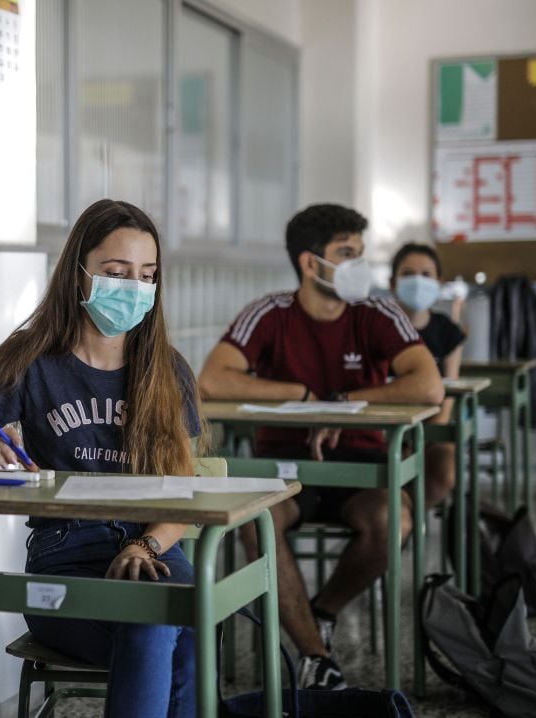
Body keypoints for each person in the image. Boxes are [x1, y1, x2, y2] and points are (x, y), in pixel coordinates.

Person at [0, 199, 205, 718]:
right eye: (116, 272)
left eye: (146, 275)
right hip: (63, 554)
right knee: (168, 630)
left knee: (171, 617)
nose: (133, 287)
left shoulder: (167, 369)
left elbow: (183, 490)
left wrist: (144, 545)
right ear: (79, 274)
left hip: (154, 550)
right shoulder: (30, 357)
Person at [197, 203, 443, 690]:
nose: (359, 265)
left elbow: (428, 385)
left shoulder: (376, 313)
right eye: (346, 253)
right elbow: (211, 379)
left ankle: (320, 611)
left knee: (392, 520)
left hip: (365, 460)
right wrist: (303, 396)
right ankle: (314, 656)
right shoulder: (270, 314)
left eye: (360, 252)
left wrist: (341, 403)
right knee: (257, 518)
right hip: (287, 467)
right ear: (311, 263)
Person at [390, 242, 466, 508]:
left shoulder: (448, 332)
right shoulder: (379, 327)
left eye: (426, 274)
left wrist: (419, 438)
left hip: (432, 430)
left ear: (438, 282)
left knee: (444, 473)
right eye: (408, 273)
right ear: (393, 282)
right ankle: (397, 525)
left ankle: (409, 519)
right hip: (385, 429)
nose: (417, 281)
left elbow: (448, 397)